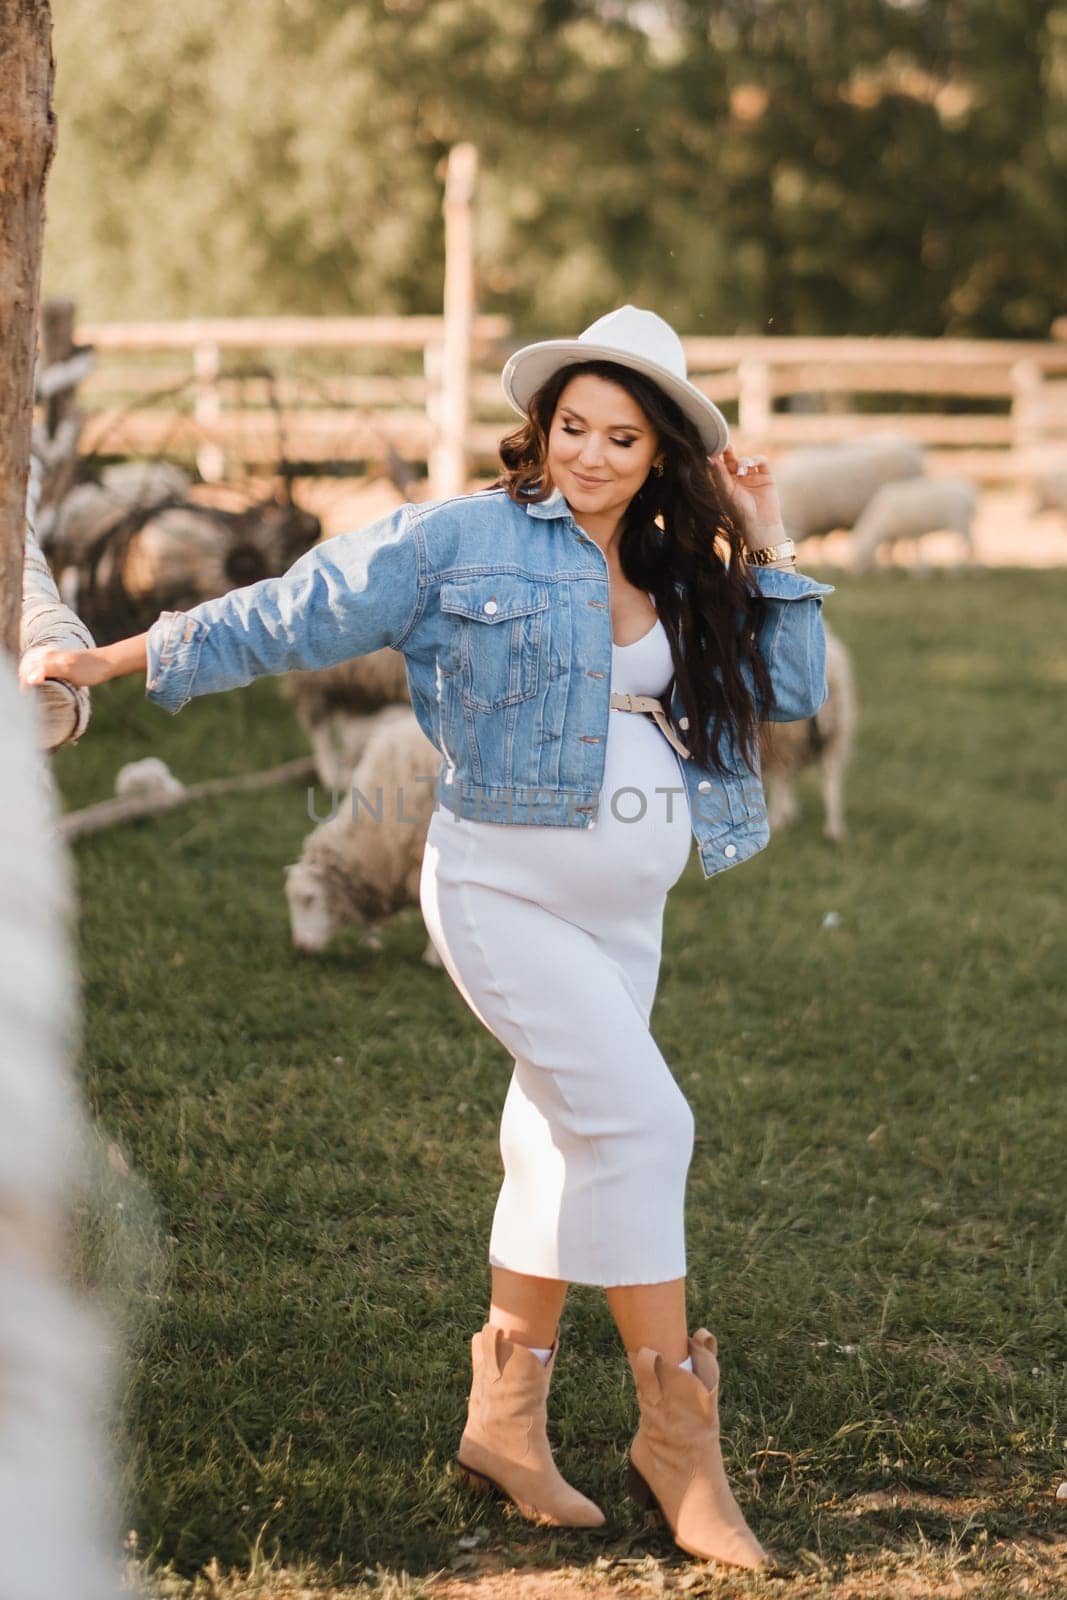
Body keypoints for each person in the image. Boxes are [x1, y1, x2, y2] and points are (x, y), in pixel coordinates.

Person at [21, 305, 834, 1571]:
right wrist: (120, 654)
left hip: (625, 912)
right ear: (541, 426)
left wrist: (768, 543)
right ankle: (677, 1444)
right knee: (645, 1124)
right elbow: (302, 607)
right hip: (501, 890)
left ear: (661, 450)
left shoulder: (681, 564)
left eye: (622, 436)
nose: (591, 456)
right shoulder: (463, 539)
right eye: (572, 427)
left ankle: (503, 1423)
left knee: (560, 1142)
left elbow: (788, 691)